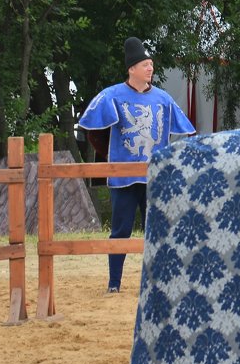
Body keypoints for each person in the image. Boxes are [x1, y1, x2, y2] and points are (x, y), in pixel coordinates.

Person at [80, 37, 195, 293]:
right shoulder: (111, 96)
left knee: (158, 231)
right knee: (120, 231)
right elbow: (92, 130)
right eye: (145, 64)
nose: (150, 68)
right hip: (122, 178)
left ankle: (161, 283)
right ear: (132, 69)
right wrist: (111, 159)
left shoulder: (163, 99)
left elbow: (185, 132)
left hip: (154, 177)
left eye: (151, 64)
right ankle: (114, 283)